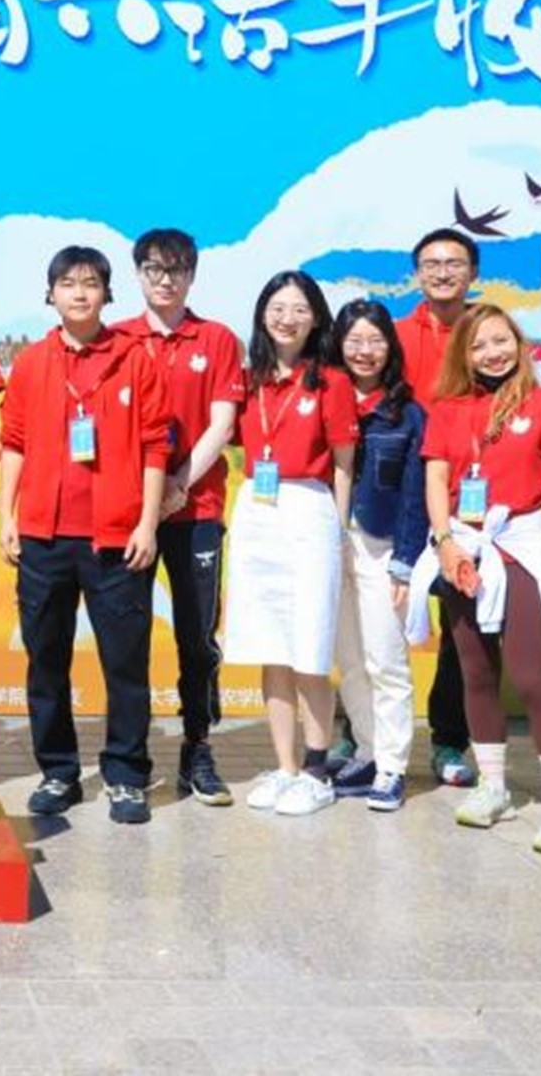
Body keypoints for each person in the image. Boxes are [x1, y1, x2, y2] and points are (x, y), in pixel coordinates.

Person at [0, 247, 169, 824]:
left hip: (116, 539)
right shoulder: (31, 363)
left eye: (90, 283)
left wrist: (146, 522)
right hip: (43, 537)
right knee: (46, 660)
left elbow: (155, 446)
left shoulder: (134, 358)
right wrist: (7, 516)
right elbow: (14, 442)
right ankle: (58, 772)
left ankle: (126, 775)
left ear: (106, 293)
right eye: (67, 283)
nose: (78, 293)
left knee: (125, 663)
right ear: (51, 294)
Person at [420, 304, 541, 855]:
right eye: (478, 345)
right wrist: (445, 543)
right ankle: (493, 787)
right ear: (463, 354)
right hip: (464, 549)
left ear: (519, 344)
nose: (491, 353)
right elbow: (436, 480)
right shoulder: (447, 409)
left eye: (500, 341)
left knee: (533, 675)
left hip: (520, 548)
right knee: (474, 672)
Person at [110, 227, 245, 806]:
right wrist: (146, 497)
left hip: (197, 509)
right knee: (127, 635)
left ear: (192, 275)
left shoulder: (216, 339)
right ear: (138, 274)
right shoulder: (117, 339)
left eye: (176, 270)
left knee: (197, 636)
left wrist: (178, 484)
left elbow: (223, 423)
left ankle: (198, 747)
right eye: (154, 269)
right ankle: (130, 757)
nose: (165, 281)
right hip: (126, 514)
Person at [225, 270, 357, 817]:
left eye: (300, 309)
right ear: (262, 314)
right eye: (278, 307)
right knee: (271, 648)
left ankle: (318, 770)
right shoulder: (248, 379)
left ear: (316, 318)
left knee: (309, 650)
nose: (288, 318)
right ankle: (285, 768)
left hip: (308, 509)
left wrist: (339, 531)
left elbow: (344, 464)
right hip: (257, 512)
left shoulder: (331, 381)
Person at [389, 227, 482, 788]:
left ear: (472, 272)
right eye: (431, 264)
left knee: (461, 621)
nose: (442, 272)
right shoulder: (396, 335)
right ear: (417, 273)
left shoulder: (489, 333)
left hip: (466, 495)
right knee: (380, 614)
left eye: (454, 263)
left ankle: (449, 739)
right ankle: (361, 730)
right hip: (402, 493)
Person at [326, 299, 425, 813]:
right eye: (354, 340)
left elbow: (415, 496)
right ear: (338, 345)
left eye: (375, 340)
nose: (364, 351)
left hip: (381, 550)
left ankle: (392, 766)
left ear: (391, 347)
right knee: (349, 661)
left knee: (386, 661)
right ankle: (366, 751)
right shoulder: (323, 400)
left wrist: (404, 562)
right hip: (329, 549)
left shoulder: (406, 414)